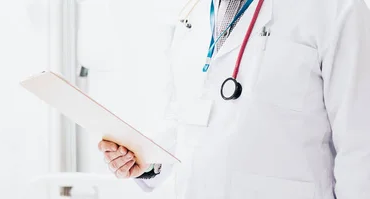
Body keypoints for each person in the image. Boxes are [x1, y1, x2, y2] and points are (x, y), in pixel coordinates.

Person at [98, 0, 370, 198]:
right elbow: (187, 118)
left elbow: (360, 145)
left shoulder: (337, 9)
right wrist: (147, 159)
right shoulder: (196, 13)